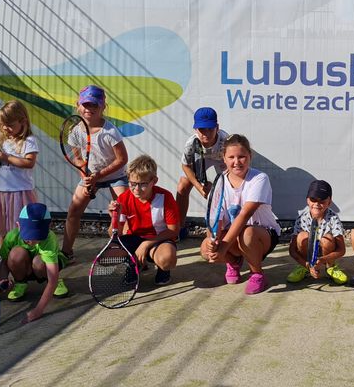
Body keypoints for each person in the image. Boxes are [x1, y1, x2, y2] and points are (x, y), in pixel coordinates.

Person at [199, 134, 281, 295]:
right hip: (234, 237)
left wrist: (223, 247)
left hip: (263, 235)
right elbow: (215, 219)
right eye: (231, 157)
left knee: (247, 233)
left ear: (250, 156)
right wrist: (213, 242)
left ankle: (257, 274)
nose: (236, 162)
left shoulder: (259, 178)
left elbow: (244, 215)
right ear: (223, 158)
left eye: (242, 156)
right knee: (204, 249)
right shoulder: (219, 182)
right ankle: (234, 261)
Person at [62, 85, 129, 261]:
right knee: (74, 211)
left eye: (94, 105)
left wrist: (99, 175)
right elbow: (77, 159)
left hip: (116, 176)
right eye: (85, 104)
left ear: (102, 107)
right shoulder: (75, 131)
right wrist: (85, 175)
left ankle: (126, 252)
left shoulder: (110, 132)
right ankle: (66, 253)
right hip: (91, 177)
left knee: (124, 212)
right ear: (78, 105)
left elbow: (122, 159)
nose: (89, 109)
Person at [109, 155, 181, 287]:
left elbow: (173, 231)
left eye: (143, 184)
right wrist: (113, 217)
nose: (136, 189)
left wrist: (146, 244)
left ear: (154, 181)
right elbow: (114, 236)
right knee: (107, 257)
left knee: (167, 260)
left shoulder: (165, 197)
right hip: (133, 239)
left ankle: (161, 269)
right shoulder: (124, 198)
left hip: (158, 239)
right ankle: (134, 263)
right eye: (132, 184)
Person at [0, 100, 39, 237]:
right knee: (2, 228)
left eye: (9, 125)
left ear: (23, 121)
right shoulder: (0, 140)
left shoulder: (29, 140)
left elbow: (29, 163)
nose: (5, 128)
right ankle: (4, 256)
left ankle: (21, 255)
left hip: (20, 191)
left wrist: (6, 157)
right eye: (2, 125)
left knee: (21, 227)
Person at [0, 202, 69, 323]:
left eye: (37, 235)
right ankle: (21, 283)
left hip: (43, 268)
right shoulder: (11, 236)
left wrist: (38, 310)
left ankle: (58, 283)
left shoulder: (49, 238)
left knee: (39, 261)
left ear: (48, 226)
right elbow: (4, 262)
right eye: (29, 235)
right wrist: (3, 279)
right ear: (18, 226)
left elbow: (52, 279)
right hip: (24, 267)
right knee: (15, 254)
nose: (32, 240)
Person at [175, 106, 229, 241]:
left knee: (227, 188)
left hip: (221, 160)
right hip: (201, 159)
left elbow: (232, 166)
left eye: (210, 128)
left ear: (217, 127)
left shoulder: (226, 141)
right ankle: (179, 226)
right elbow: (185, 165)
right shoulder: (192, 143)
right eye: (202, 129)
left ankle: (227, 226)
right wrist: (200, 187)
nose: (206, 133)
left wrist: (217, 186)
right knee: (182, 185)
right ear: (195, 129)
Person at [286, 179, 349, 285]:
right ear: (307, 200)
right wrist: (307, 265)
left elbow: (342, 250)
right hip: (307, 258)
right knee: (302, 236)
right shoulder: (301, 218)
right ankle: (304, 268)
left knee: (327, 240)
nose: (317, 203)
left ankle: (331, 267)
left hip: (325, 255)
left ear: (329, 202)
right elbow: (292, 250)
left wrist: (323, 259)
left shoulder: (333, 218)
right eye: (313, 199)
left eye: (322, 200)